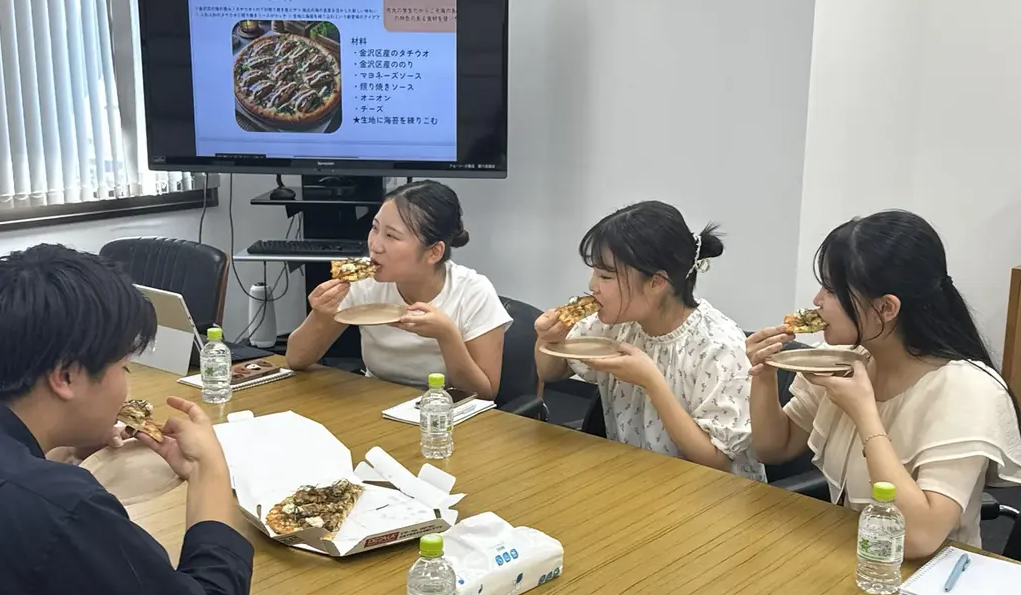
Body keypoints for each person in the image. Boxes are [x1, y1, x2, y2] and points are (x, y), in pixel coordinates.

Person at [0, 245, 253, 595]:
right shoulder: (63, 505)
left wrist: (52, 452)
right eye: (124, 366)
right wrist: (211, 472)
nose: (127, 383)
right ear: (65, 377)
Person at [747, 210, 1021, 558]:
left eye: (832, 289)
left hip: (927, 584)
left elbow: (917, 539)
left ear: (887, 308)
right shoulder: (844, 357)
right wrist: (765, 374)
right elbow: (775, 448)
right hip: (848, 556)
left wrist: (864, 414)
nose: (817, 301)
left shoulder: (967, 391)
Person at [534, 201, 765, 481]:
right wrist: (550, 339)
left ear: (656, 283)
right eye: (594, 272)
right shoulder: (616, 322)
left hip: (710, 497)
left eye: (606, 276)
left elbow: (717, 463)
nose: (593, 285)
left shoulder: (719, 346)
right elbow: (550, 372)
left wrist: (651, 381)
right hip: (635, 480)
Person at [286, 180, 512, 400]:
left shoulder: (473, 292)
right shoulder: (364, 284)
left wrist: (446, 335)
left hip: (443, 411)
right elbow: (296, 359)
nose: (374, 245)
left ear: (434, 252)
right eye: (374, 228)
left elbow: (483, 394)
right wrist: (320, 314)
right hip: (374, 404)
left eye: (391, 236)